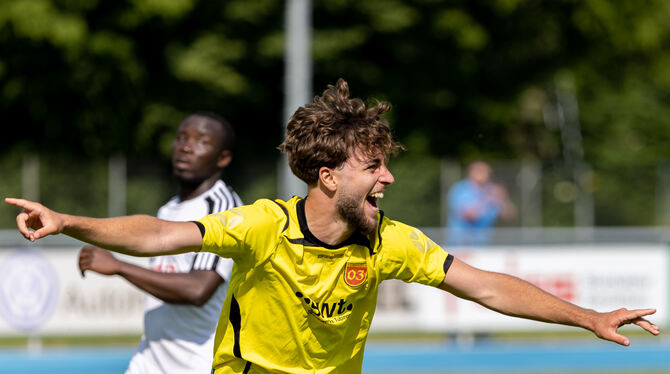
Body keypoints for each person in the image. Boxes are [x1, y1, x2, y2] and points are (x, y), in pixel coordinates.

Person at [6, 79, 659, 374]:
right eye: (374, 167)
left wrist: (589, 317)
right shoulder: (262, 225)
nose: (389, 179)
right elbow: (157, 234)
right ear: (327, 177)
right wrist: (68, 222)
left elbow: (486, 286)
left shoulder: (390, 242)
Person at [77, 112, 243, 374]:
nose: (186, 147)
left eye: (202, 141)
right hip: (150, 360)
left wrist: (119, 267)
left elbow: (198, 290)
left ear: (223, 158)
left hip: (197, 364)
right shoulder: (168, 209)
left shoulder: (224, 210)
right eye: (180, 138)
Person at [447, 161, 516, 245]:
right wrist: (486, 198)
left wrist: (503, 198)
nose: (485, 175)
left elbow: (509, 216)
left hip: (484, 243)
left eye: (487, 172)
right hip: (461, 242)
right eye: (480, 171)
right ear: (470, 173)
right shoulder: (460, 189)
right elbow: (468, 215)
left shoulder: (492, 189)